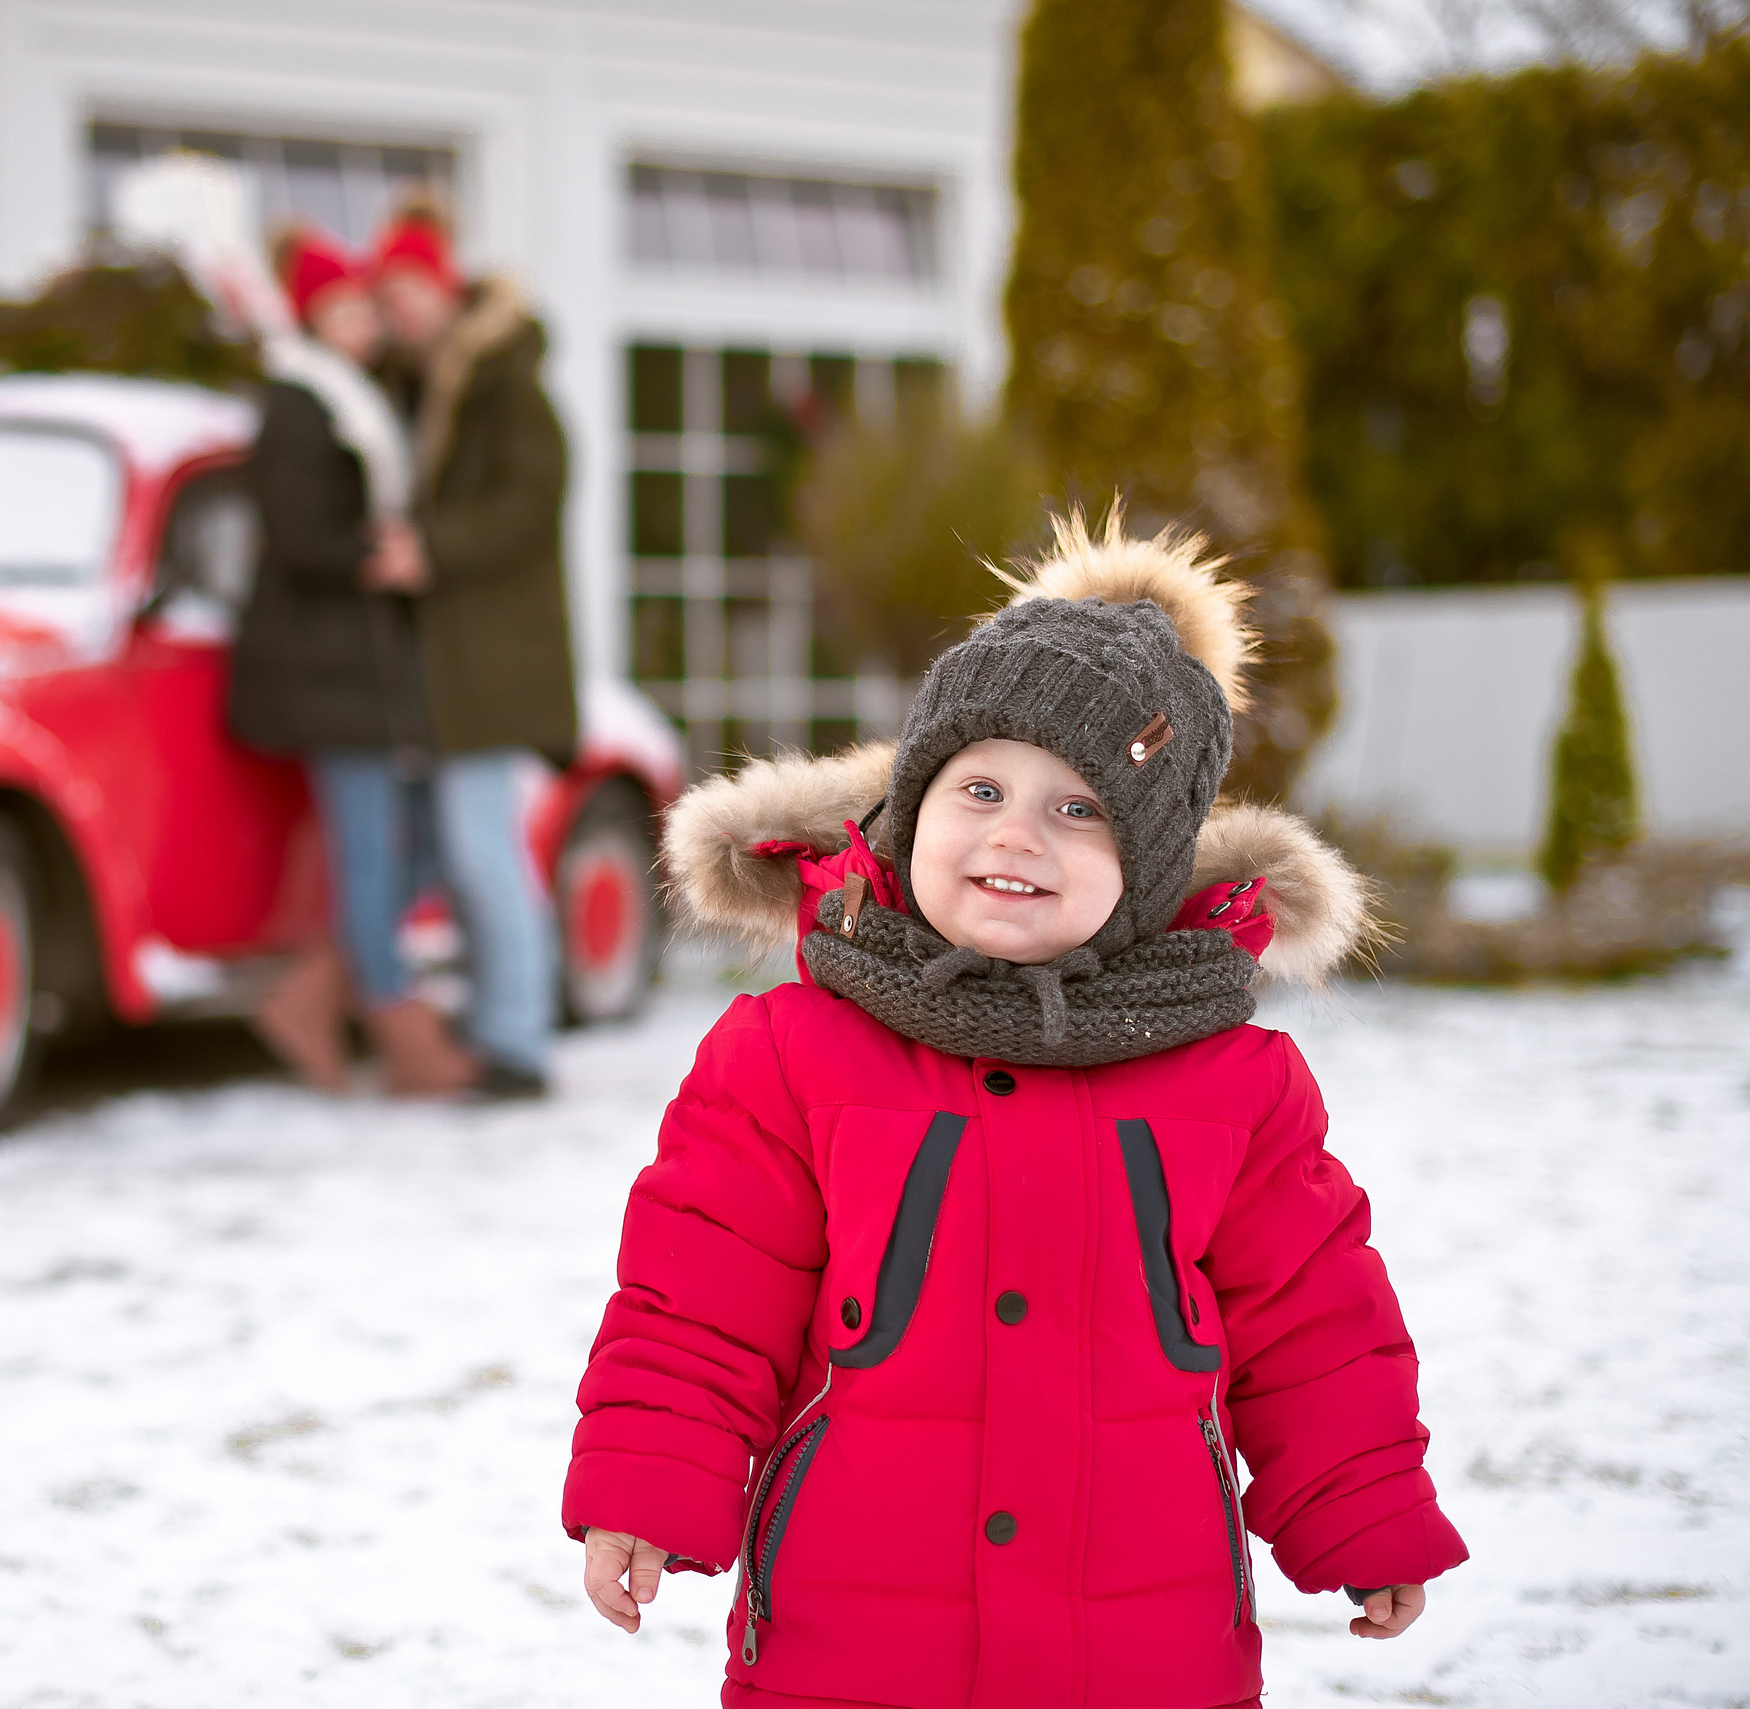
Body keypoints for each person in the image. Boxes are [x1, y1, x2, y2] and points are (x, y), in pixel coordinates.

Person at [561, 514, 1468, 1706]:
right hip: (854, 1649)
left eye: (1079, 808)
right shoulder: (791, 1055)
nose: (1013, 834)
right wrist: (647, 1482)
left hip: (1142, 1654)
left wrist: (1360, 1507)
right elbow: (699, 1301)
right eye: (978, 785)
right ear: (908, 807)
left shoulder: (1232, 1086)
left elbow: (1312, 1321)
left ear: (1147, 868)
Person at [228, 225, 475, 1095]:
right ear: (312, 316)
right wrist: (374, 550)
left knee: (413, 844)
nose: (365, 322)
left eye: (370, 306)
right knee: (371, 850)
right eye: (346, 309)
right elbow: (298, 534)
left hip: (364, 667)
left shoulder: (357, 396)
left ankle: (307, 997)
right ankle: (400, 1033)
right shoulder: (299, 402)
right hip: (322, 668)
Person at [366, 193, 573, 1100]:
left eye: (412, 290)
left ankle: (518, 1040)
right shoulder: (430, 383)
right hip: (456, 662)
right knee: (468, 846)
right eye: (390, 295)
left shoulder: (501, 379)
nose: (400, 309)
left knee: (482, 846)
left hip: (492, 661)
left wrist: (432, 548)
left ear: (445, 288)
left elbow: (535, 498)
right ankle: (501, 1019)